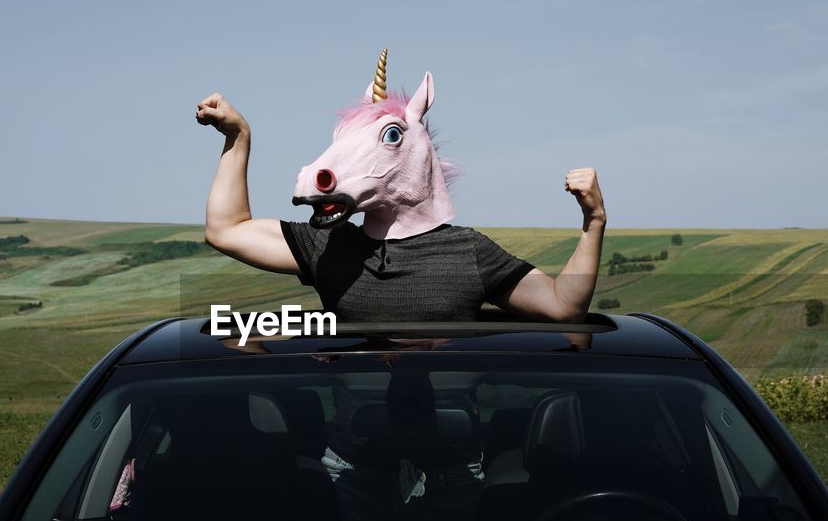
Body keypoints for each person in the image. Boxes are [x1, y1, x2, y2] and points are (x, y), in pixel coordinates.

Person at [195, 52, 607, 323]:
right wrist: (238, 137)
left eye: (390, 136)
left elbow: (563, 306)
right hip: (349, 456)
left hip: (451, 457)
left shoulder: (470, 253)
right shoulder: (330, 246)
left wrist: (594, 221)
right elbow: (226, 229)